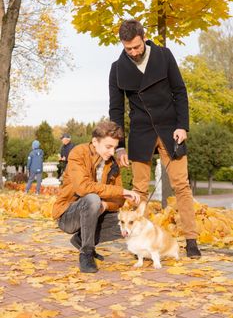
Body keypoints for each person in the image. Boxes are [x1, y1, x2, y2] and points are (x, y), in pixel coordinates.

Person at [109, 19, 201, 258]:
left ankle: (191, 240)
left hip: (171, 130)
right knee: (139, 190)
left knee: (181, 185)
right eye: (128, 49)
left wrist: (183, 126)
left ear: (143, 37)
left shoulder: (164, 56)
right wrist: (119, 146)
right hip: (140, 133)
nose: (133, 52)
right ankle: (140, 245)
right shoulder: (117, 68)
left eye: (137, 47)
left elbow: (180, 91)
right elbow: (116, 111)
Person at [52, 120, 140, 273]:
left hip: (96, 213)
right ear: (95, 141)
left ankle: (81, 239)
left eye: (114, 147)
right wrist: (121, 192)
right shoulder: (78, 153)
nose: (112, 152)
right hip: (68, 214)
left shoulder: (112, 163)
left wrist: (106, 205)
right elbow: (83, 187)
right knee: (92, 198)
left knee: (131, 222)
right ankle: (86, 253)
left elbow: (118, 200)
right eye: (108, 147)